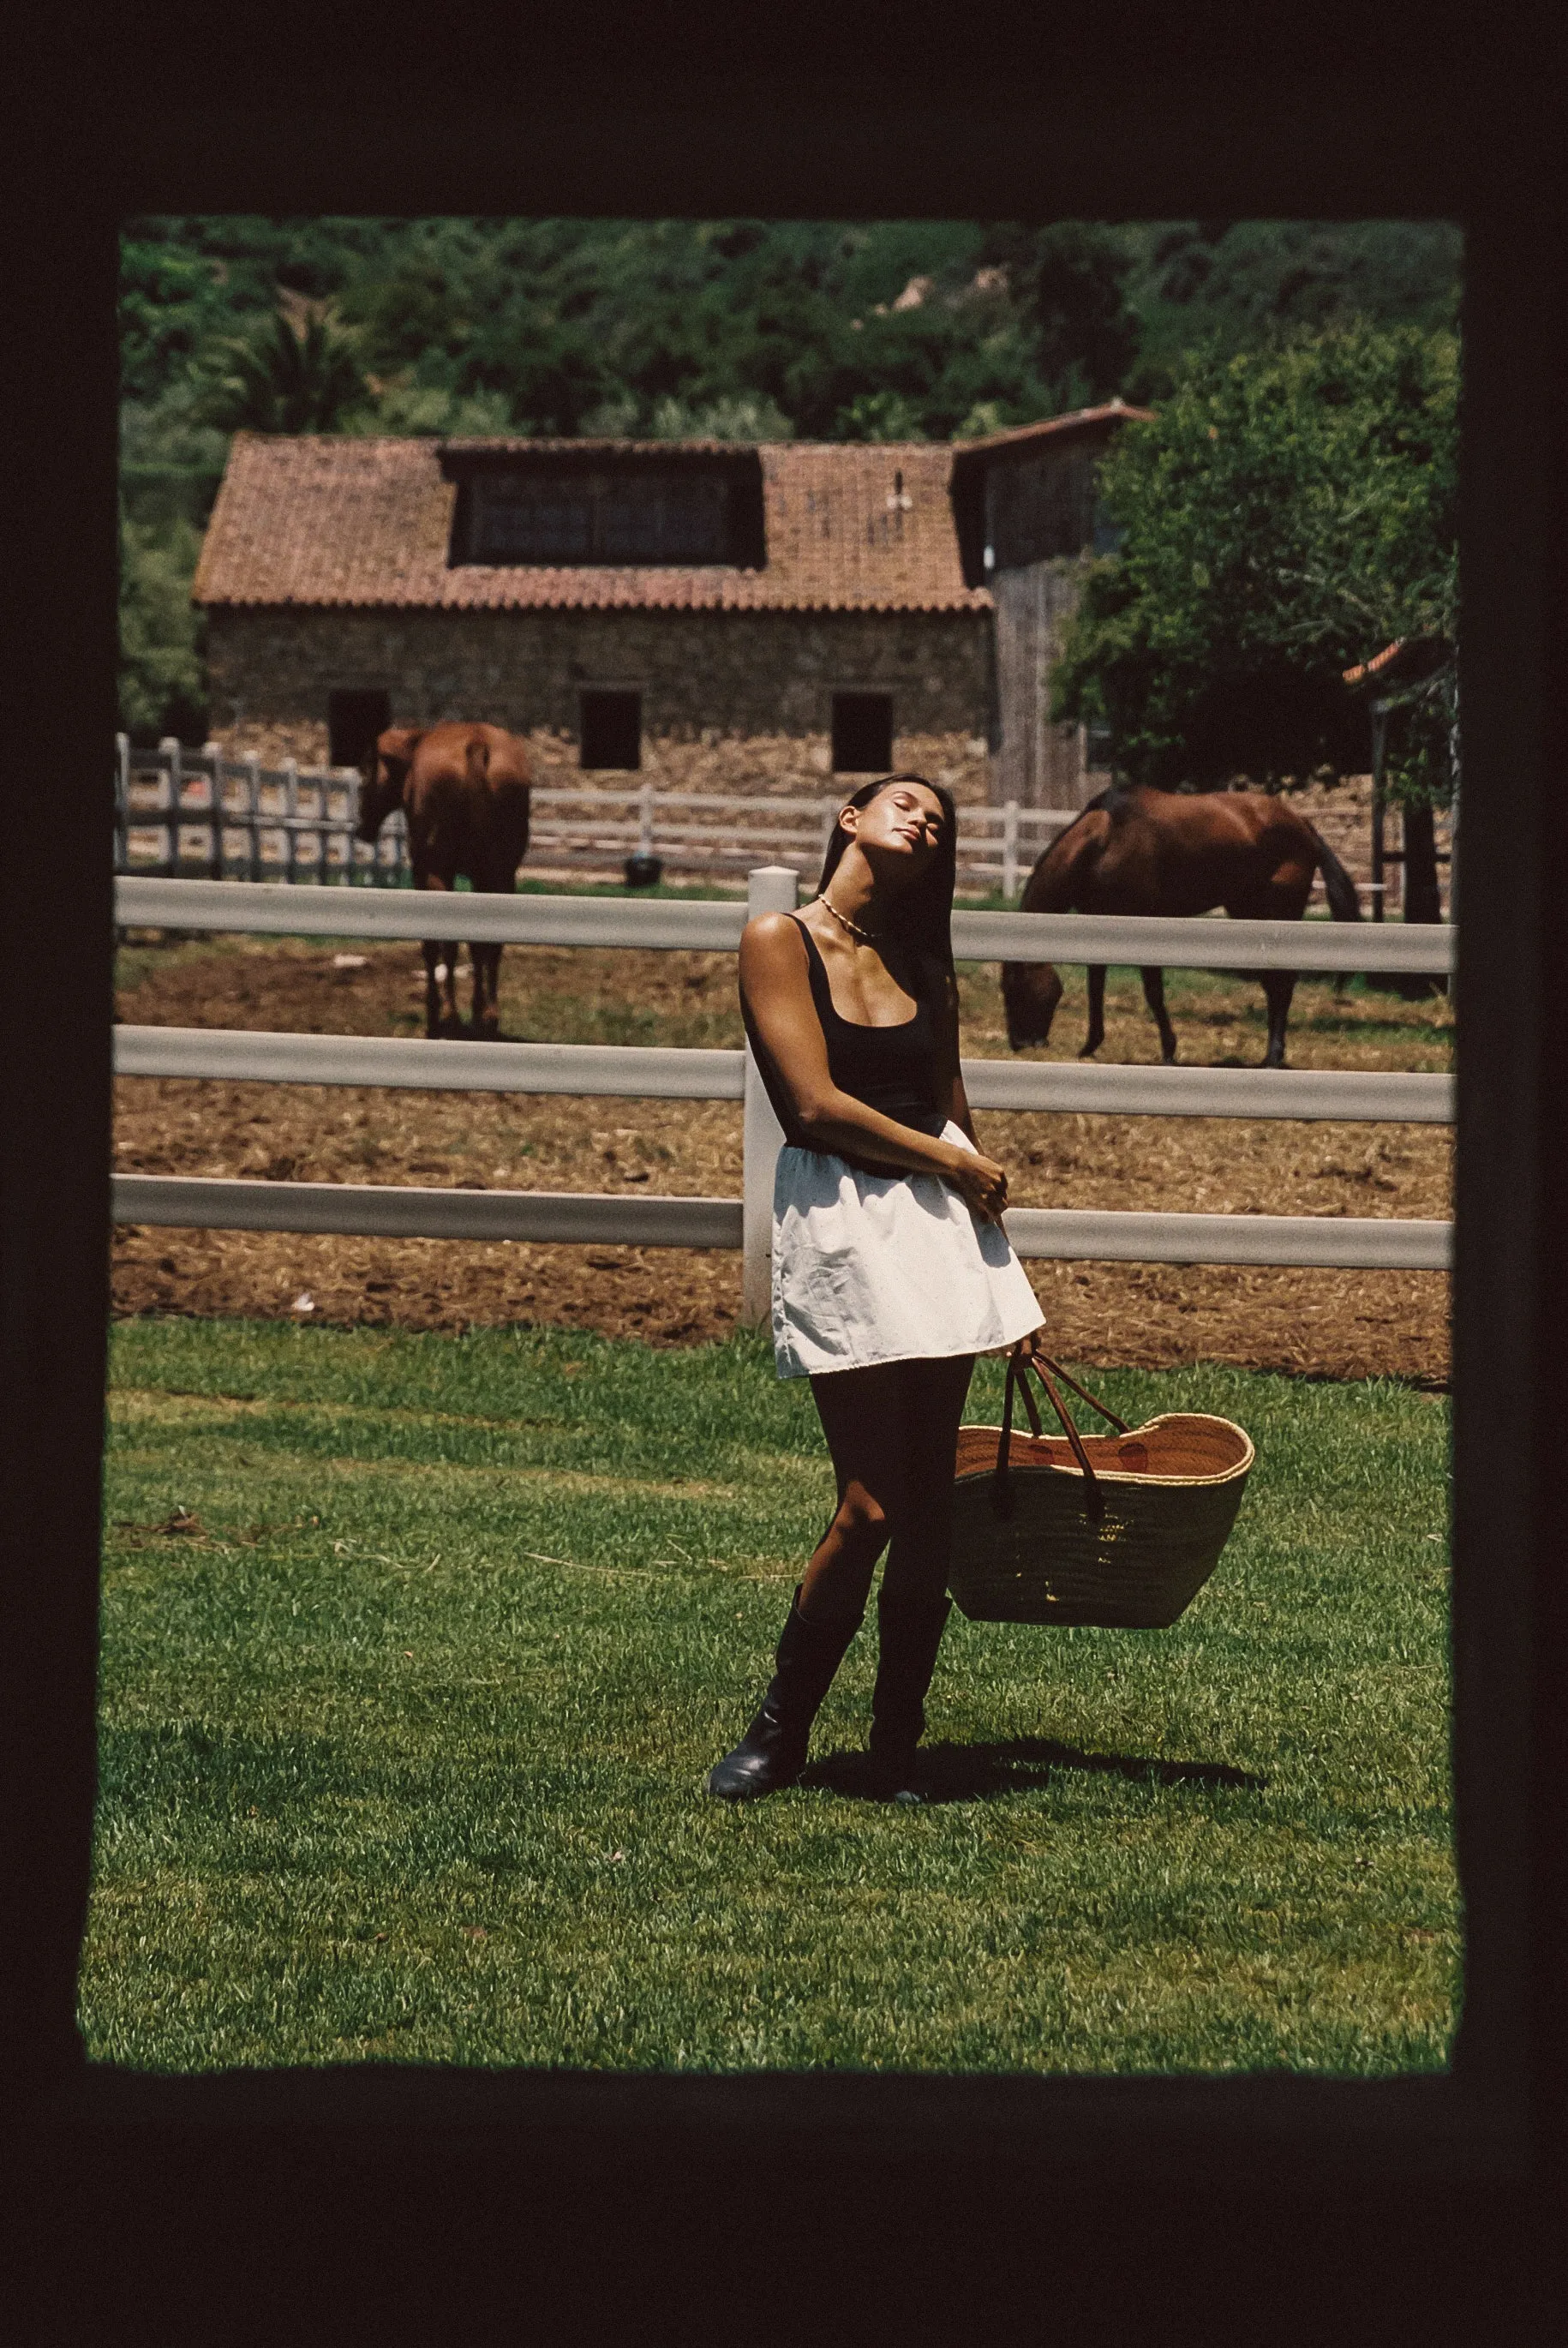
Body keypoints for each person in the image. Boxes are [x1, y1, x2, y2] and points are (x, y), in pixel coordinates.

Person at [706, 774, 1044, 1805]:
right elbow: (810, 1105)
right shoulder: (779, 939)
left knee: (930, 1507)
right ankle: (783, 1727)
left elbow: (958, 1120)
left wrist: (1005, 1284)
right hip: (846, 1223)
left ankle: (898, 1740)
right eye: (906, 803)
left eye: (940, 822)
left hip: (940, 1231)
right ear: (850, 819)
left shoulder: (924, 966)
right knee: (869, 1501)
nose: (925, 819)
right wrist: (951, 1167)